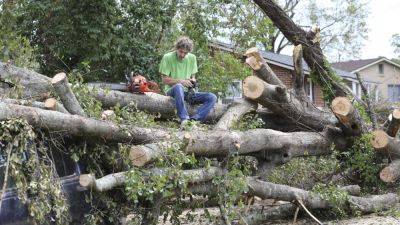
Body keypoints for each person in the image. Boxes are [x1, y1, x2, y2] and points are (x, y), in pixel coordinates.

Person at [159, 36, 217, 127]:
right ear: (176, 48)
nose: (182, 55)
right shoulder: (167, 57)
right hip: (173, 91)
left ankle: (193, 120)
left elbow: (193, 77)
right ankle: (184, 119)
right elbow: (164, 80)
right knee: (179, 86)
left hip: (188, 93)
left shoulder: (192, 58)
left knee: (212, 97)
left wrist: (192, 81)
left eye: (185, 53)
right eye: (181, 51)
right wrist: (181, 81)